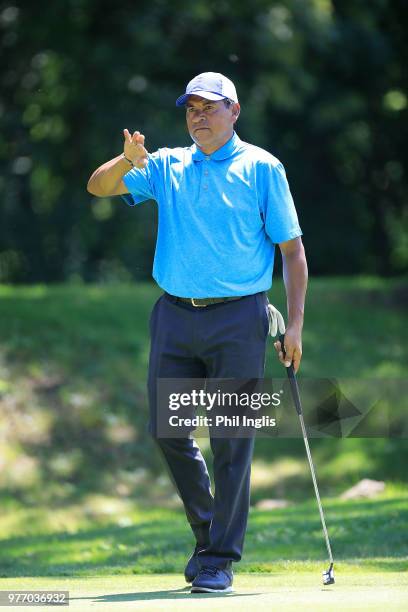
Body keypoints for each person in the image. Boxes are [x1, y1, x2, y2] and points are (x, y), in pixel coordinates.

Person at [87, 72, 308, 593]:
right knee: (168, 430)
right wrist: (128, 159)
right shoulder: (165, 164)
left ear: (234, 111)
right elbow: (97, 186)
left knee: (232, 439)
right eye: (191, 109)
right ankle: (209, 531)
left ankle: (218, 560)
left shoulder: (261, 167)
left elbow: (292, 251)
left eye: (210, 107)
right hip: (175, 315)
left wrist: (295, 324)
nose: (199, 117)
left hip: (239, 319)